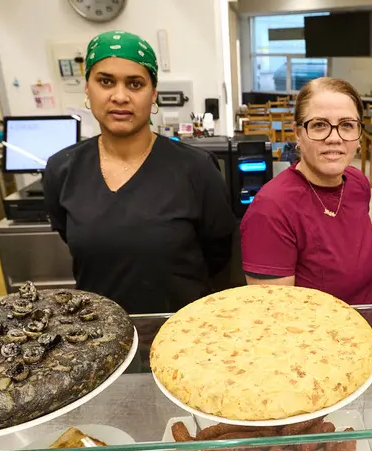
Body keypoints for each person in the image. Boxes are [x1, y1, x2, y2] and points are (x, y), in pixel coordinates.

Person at [43, 31, 236, 314]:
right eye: (105, 81)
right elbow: (70, 237)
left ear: (153, 94)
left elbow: (219, 254)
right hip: (96, 333)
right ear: (87, 89)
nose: (120, 96)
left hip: (180, 327)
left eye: (135, 84)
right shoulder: (62, 169)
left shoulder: (196, 169)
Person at [239, 77, 372, 305]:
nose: (334, 138)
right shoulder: (272, 209)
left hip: (366, 325)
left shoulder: (358, 183)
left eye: (347, 125)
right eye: (319, 125)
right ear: (297, 133)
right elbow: (274, 313)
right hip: (315, 337)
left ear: (359, 134)